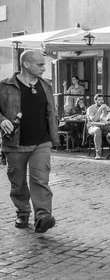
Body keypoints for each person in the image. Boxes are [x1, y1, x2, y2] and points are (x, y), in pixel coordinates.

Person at [0, 50, 59, 233]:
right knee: (17, 183)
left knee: (41, 179)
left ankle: (42, 216)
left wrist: (53, 136)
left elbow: (50, 112)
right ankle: (23, 212)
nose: (44, 68)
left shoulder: (45, 85)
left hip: (42, 141)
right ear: (26, 64)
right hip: (15, 143)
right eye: (40, 65)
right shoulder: (5, 86)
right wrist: (2, 120)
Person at [86, 94, 110, 159]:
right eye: (99, 100)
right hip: (93, 127)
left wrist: (109, 112)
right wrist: (100, 109)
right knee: (97, 130)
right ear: (95, 101)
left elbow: (109, 119)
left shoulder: (106, 107)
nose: (101, 101)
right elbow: (94, 119)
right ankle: (98, 154)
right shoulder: (91, 108)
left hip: (104, 127)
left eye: (102, 99)